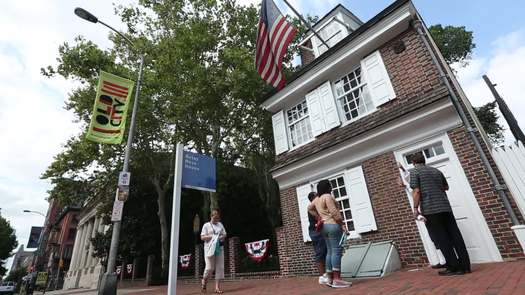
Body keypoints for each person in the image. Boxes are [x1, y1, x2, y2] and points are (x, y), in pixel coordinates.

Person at [409, 153, 471, 276]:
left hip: (431, 209)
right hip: (445, 207)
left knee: (442, 238)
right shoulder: (436, 171)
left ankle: (454, 268)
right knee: (455, 236)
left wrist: (415, 208)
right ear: (424, 160)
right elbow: (446, 187)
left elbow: (416, 191)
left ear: (413, 163)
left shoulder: (415, 172)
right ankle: (465, 266)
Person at [398, 163, 447, 269]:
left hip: (430, 211)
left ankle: (447, 260)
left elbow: (411, 184)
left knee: (437, 236)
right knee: (434, 237)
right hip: (430, 212)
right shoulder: (417, 185)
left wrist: (402, 169)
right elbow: (411, 188)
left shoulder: (420, 184)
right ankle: (443, 260)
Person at [308, 180, 351, 288]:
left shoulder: (317, 199)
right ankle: (337, 279)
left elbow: (309, 208)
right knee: (336, 251)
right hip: (332, 225)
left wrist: (319, 218)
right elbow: (334, 212)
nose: (331, 187)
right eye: (330, 186)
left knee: (329, 252)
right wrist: (342, 224)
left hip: (324, 227)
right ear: (328, 187)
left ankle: (329, 278)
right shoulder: (327, 196)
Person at [200, 209, 227, 293]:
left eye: (218, 218)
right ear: (211, 216)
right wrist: (212, 237)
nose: (216, 220)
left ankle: (217, 288)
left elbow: (225, 234)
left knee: (219, 267)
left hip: (219, 248)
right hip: (209, 248)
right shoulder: (206, 225)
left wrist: (221, 237)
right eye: (215, 218)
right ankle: (204, 280)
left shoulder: (220, 224)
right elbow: (202, 237)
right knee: (209, 268)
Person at [307, 192, 329, 285]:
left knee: (324, 251)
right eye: (317, 196)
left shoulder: (315, 207)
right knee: (320, 252)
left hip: (318, 231)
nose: (319, 197)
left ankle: (325, 274)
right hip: (316, 232)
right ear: (313, 198)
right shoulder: (312, 208)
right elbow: (319, 218)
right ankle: (322, 276)